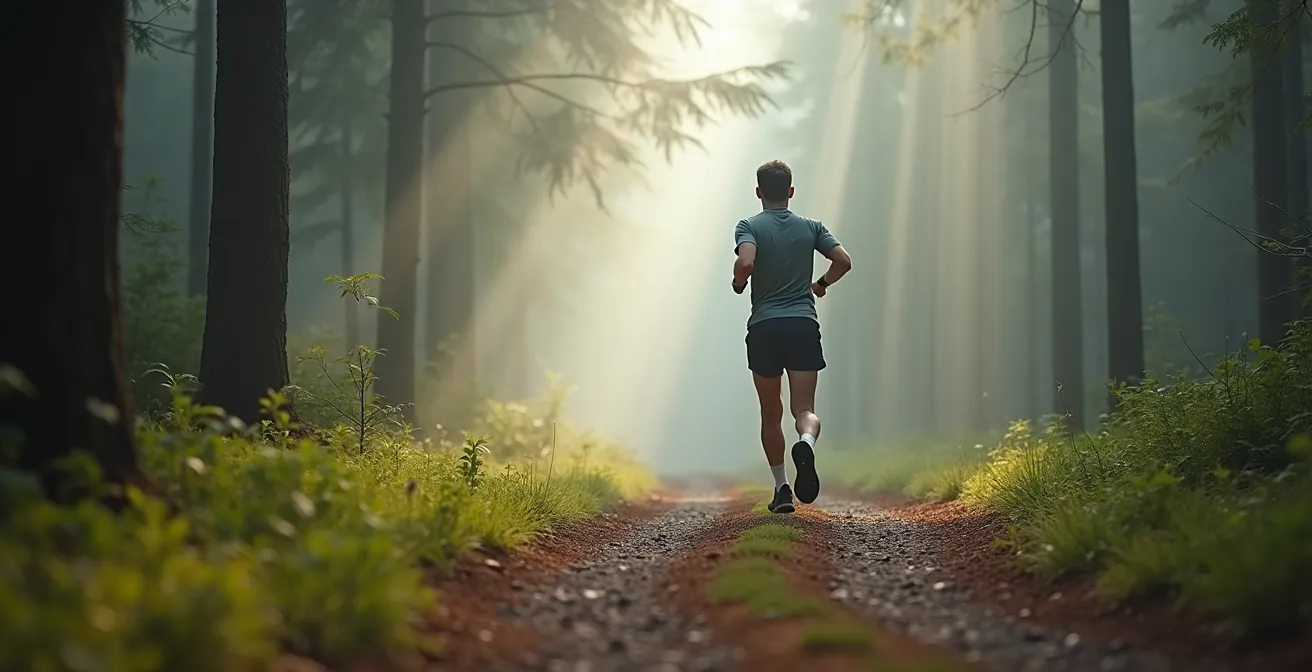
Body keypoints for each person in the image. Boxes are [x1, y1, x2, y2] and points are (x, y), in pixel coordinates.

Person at [732, 160, 852, 514]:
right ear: (790, 191)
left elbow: (746, 263)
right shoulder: (812, 227)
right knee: (805, 409)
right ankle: (807, 441)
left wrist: (740, 282)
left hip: (765, 328)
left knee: (771, 411)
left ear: (758, 192)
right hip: (802, 324)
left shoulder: (748, 226)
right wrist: (820, 285)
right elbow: (843, 260)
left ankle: (783, 489)